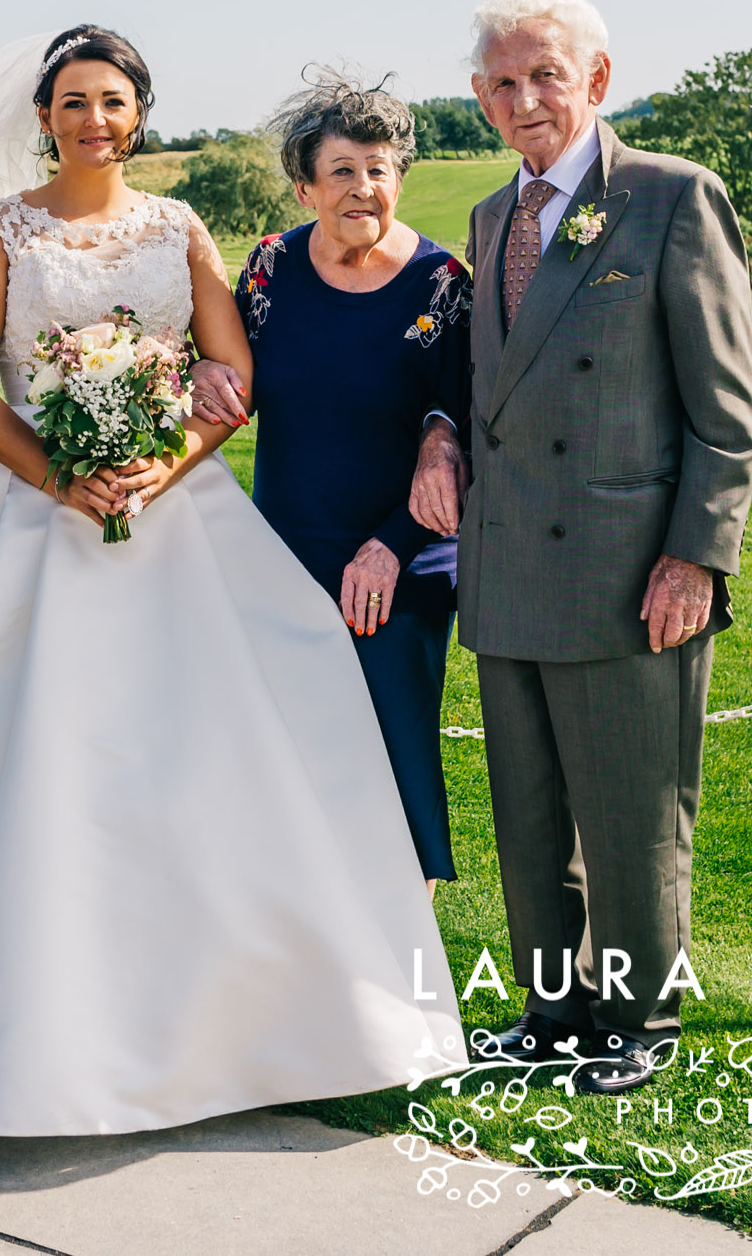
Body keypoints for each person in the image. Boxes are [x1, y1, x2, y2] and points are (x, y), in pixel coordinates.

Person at [0, 26, 461, 1139]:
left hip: (175, 518)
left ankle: (233, 1024)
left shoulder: (179, 226)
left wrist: (163, 464)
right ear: (45, 115)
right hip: (31, 520)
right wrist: (61, 474)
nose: (93, 118)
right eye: (73, 100)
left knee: (214, 757)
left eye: (112, 99)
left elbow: (230, 370)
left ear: (138, 113)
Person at [410, 0, 752, 1097]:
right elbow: (482, 388)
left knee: (629, 816)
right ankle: (551, 1011)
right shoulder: (484, 217)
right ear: (478, 100)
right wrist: (439, 442)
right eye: (502, 83)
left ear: (596, 81)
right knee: (528, 820)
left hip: (627, 571)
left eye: (545, 75)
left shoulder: (668, 199)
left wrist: (695, 554)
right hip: (506, 566)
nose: (525, 99)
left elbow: (726, 411)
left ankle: (636, 1018)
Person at [189, 71, 468, 890]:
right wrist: (206, 369)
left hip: (402, 567)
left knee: (391, 770)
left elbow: (470, 430)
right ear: (305, 184)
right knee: (285, 767)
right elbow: (230, 367)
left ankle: (400, 975)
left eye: (380, 168)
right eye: (342, 170)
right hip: (281, 561)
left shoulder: (443, 283)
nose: (363, 187)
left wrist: (391, 546)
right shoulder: (271, 267)